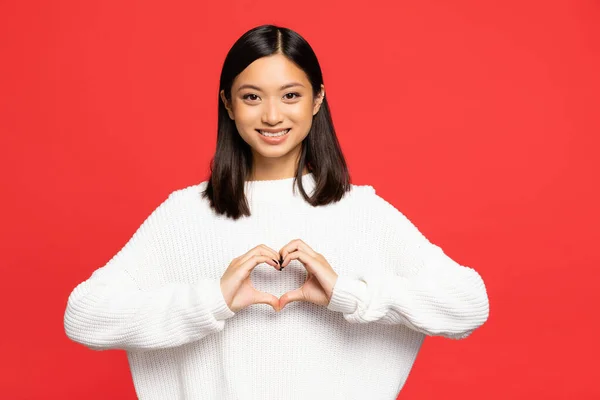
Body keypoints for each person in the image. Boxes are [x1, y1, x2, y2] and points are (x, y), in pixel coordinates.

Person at [63, 24, 490, 400]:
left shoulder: (362, 212)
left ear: (317, 99)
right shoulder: (185, 215)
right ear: (228, 104)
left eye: (290, 95)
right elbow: (84, 316)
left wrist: (349, 295)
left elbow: (469, 304)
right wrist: (212, 300)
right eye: (251, 97)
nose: (271, 116)